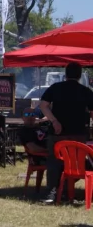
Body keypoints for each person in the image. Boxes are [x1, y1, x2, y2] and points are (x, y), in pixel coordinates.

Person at [38, 62, 93, 203]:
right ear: (80, 75)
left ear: (65, 74)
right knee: (76, 162)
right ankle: (69, 192)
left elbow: (43, 105)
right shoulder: (85, 91)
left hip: (57, 134)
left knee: (54, 161)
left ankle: (52, 192)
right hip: (78, 134)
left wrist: (54, 121)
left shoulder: (55, 88)